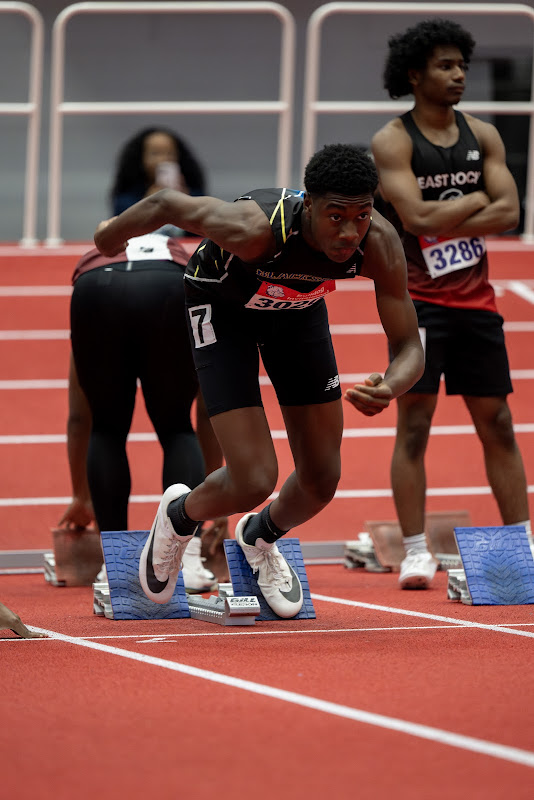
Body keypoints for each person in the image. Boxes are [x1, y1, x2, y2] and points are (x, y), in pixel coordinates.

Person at [94, 142, 424, 619]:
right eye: (336, 217)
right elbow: (166, 204)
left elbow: (410, 346)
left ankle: (259, 536)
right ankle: (178, 516)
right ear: (308, 205)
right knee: (253, 478)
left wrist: (391, 386)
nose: (350, 232)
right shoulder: (254, 229)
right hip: (222, 310)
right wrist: (109, 237)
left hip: (296, 313)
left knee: (321, 480)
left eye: (361, 216)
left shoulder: (380, 242)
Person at [371, 18, 531, 589]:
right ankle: (416, 551)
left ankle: (520, 541)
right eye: (445, 65)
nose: (459, 74)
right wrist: (474, 199)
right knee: (414, 426)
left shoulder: (482, 133)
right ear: (415, 75)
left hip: (477, 304)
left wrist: (448, 208)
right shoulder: (393, 141)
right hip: (418, 304)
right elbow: (413, 218)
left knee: (500, 423)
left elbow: (510, 214)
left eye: (462, 64)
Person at [58, 229, 228, 593]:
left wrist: (81, 496)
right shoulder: (179, 255)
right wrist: (220, 495)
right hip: (170, 287)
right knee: (178, 430)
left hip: (94, 291)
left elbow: (79, 418)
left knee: (106, 428)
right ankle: (187, 557)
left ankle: (115, 563)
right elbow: (211, 411)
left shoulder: (93, 259)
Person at [110, 126, 207, 217]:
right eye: (155, 153)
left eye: (170, 153)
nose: (164, 159)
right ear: (140, 158)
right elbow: (121, 226)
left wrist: (188, 203)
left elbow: (204, 228)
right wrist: (146, 203)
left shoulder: (195, 196)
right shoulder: (127, 198)